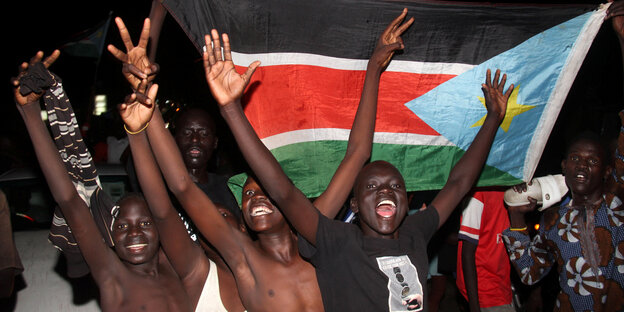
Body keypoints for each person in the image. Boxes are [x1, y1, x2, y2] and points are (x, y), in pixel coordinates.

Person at [204, 4, 512, 310]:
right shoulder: (337, 243)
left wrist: (493, 120)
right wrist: (231, 109)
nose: (385, 190)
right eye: (371, 186)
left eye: (395, 186)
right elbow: (284, 191)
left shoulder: (415, 234)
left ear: (406, 201)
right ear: (353, 204)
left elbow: (459, 183)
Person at [124, 10, 414, 311]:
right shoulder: (244, 260)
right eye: (248, 194)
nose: (255, 198)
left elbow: (357, 155)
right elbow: (182, 186)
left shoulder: (317, 236)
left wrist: (374, 70)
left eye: (264, 191)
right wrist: (146, 101)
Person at [12, 51, 192, 311]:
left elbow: (163, 200)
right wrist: (29, 111)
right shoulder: (113, 277)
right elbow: (70, 200)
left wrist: (138, 126)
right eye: (122, 227)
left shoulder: (175, 268)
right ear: (109, 235)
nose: (134, 233)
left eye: (144, 222)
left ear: (159, 227)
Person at [108, 17, 246, 311]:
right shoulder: (157, 181)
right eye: (187, 132)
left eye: (204, 133)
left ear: (215, 143)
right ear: (173, 138)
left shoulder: (231, 189)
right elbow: (172, 188)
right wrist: (142, 91)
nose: (195, 139)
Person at [501, 3, 624, 311]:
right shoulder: (553, 218)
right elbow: (530, 272)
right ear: (563, 166)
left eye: (593, 161)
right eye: (575, 158)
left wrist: (622, 38)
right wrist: (517, 216)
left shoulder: (617, 200)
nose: (582, 165)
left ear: (609, 170)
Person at [456, 190, 514, 312]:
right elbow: (467, 253)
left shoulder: (510, 190)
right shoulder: (478, 195)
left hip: (502, 287)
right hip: (484, 290)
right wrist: (474, 306)